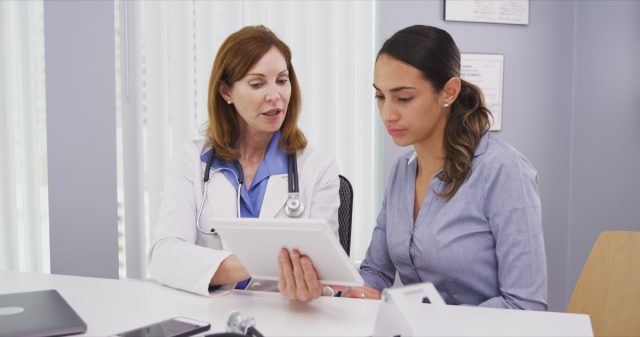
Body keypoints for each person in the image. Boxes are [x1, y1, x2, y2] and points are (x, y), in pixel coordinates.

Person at [281, 25, 548, 309]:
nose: (387, 114)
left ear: (449, 91)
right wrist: (334, 290)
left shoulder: (505, 171)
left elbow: (526, 304)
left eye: (404, 98)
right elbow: (375, 272)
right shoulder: (402, 171)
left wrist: (409, 312)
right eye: (380, 97)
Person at [147, 25, 340, 298]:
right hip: (210, 315)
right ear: (226, 91)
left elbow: (324, 270)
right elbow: (164, 256)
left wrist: (312, 285)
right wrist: (256, 261)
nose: (275, 96)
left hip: (287, 317)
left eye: (282, 80)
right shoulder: (190, 161)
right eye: (257, 83)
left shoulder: (318, 168)